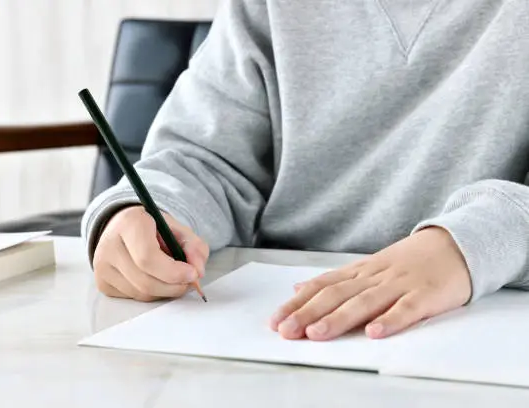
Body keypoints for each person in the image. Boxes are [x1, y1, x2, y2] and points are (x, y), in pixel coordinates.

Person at [81, 0, 529, 341]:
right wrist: (141, 213)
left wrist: (468, 245)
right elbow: (205, 158)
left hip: (482, 322)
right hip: (274, 323)